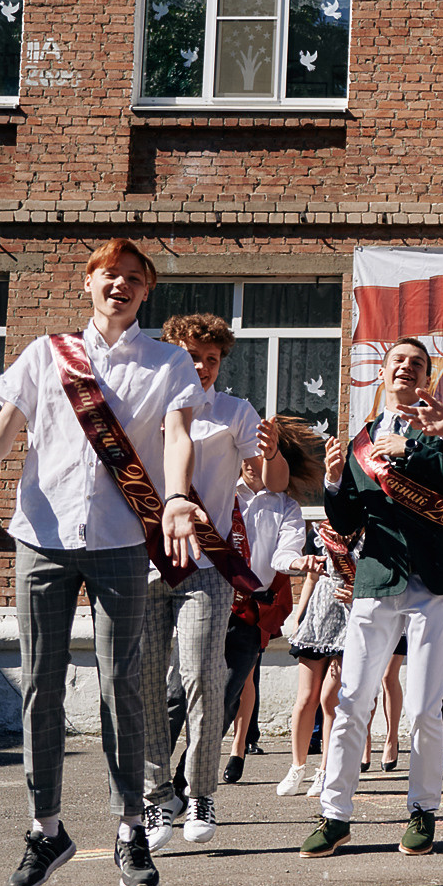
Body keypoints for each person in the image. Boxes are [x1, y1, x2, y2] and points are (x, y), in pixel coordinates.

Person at [0, 237, 205, 886]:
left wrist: (178, 498)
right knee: (38, 681)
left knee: (122, 682)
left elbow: (178, 436)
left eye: (132, 277)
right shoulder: (47, 353)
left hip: (123, 539)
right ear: (88, 283)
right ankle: (46, 829)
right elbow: (2, 432)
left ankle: (131, 830)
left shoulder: (169, 361)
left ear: (146, 290)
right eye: (108, 274)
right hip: (41, 536)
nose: (119, 285)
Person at [299, 337, 443, 860]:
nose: (406, 369)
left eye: (416, 364)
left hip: (434, 581)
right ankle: (335, 815)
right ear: (383, 375)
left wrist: (411, 450)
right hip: (378, 578)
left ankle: (422, 811)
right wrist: (334, 480)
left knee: (423, 706)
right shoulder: (361, 438)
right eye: (398, 362)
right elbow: (346, 521)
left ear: (426, 379)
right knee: (350, 701)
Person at [138, 313, 266, 851]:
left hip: (206, 563)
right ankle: (153, 797)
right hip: (142, 562)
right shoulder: (140, 408)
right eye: (192, 356)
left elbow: (264, 480)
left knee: (203, 678)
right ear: (171, 356)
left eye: (212, 358)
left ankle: (201, 792)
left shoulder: (235, 412)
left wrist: (271, 455)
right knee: (143, 685)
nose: (203, 367)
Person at [221, 417, 316, 785]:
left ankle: (238, 746)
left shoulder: (283, 505)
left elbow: (283, 555)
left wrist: (298, 562)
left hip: (257, 604)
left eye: (257, 454)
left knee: (244, 678)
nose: (249, 462)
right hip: (217, 599)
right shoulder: (223, 493)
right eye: (244, 455)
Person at [276, 514, 349, 797]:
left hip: (348, 618)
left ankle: (325, 770)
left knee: (330, 698)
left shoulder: (367, 531)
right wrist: (299, 614)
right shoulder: (321, 532)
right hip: (317, 616)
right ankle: (297, 766)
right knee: (306, 697)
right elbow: (310, 578)